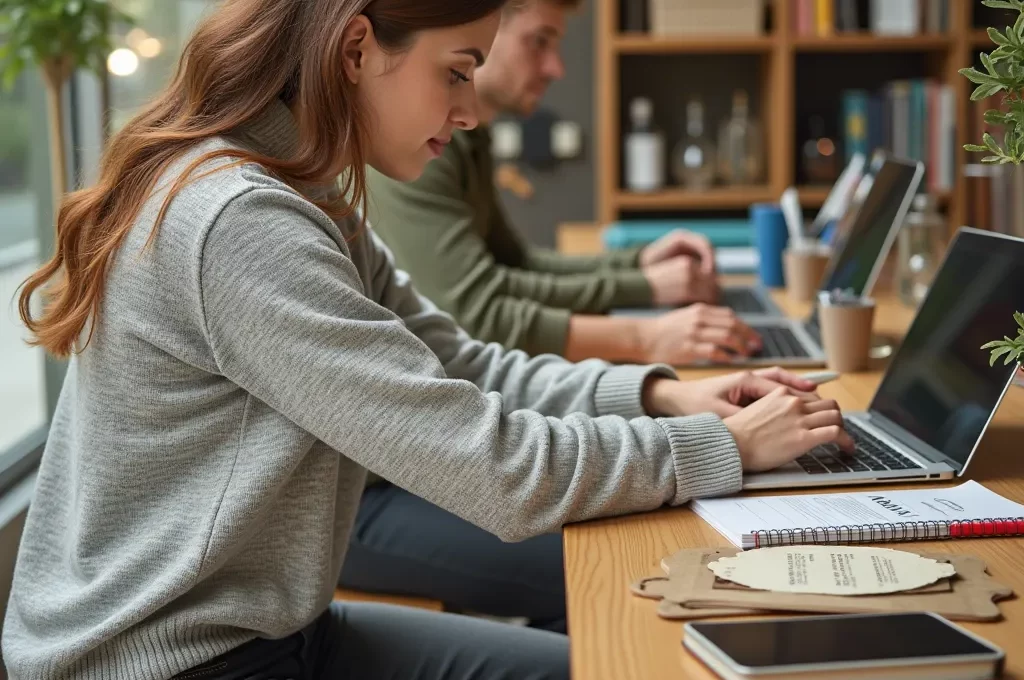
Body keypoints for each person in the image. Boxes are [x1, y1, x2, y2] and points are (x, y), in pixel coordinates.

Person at [3, 1, 852, 678]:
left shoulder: (302, 194)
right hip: (178, 663)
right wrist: (720, 447)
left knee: (605, 657)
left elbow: (465, 362)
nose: (472, 110)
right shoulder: (240, 221)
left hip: (276, 631)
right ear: (356, 48)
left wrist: (666, 394)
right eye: (458, 70)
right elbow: (495, 471)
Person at [365, 0, 761, 367]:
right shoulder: (419, 144)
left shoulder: (466, 136)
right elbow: (475, 311)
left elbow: (514, 264)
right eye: (539, 42)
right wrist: (645, 328)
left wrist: (637, 266)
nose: (556, 68)